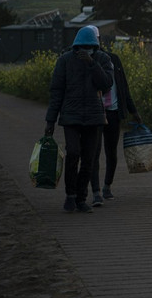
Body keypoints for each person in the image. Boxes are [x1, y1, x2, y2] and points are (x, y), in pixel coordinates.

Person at [45, 25, 113, 214]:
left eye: (89, 46)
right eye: (82, 47)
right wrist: (50, 120)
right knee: (73, 153)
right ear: (76, 46)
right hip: (71, 117)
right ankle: (70, 195)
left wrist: (92, 64)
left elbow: (106, 84)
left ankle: (82, 199)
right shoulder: (65, 61)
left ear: (95, 46)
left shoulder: (102, 59)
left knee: (89, 160)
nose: (85, 50)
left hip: (94, 117)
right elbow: (56, 92)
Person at [90, 36, 141, 206]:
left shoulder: (114, 60)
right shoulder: (87, 61)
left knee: (111, 152)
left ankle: (106, 186)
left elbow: (123, 86)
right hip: (95, 114)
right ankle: (96, 191)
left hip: (113, 112)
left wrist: (133, 110)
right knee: (94, 153)